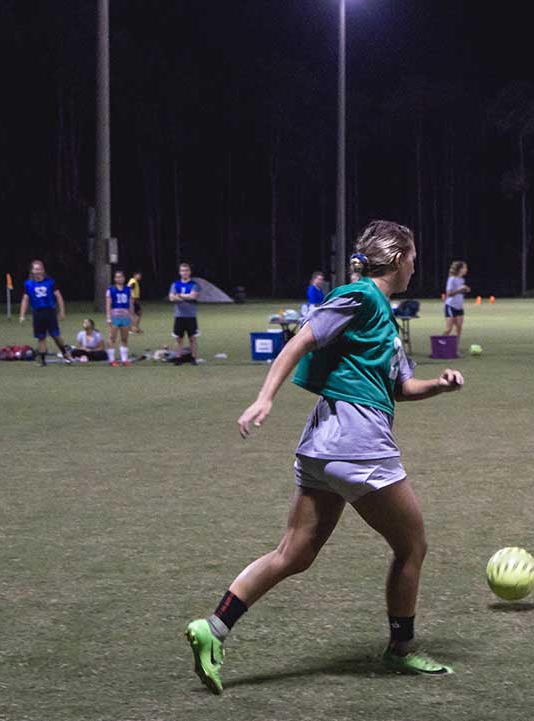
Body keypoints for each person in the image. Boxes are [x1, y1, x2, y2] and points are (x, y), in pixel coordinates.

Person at [183, 221, 464, 693]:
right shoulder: (360, 297)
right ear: (397, 260)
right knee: (412, 546)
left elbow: (398, 387)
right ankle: (401, 650)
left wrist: (437, 384)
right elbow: (300, 339)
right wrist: (264, 397)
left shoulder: (381, 316)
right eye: (413, 256)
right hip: (357, 444)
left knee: (293, 553)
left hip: (323, 446)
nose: (417, 264)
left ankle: (212, 630)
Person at [18, 259, 72, 366]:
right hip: (37, 312)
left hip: (49, 311)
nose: (38, 271)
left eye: (39, 269)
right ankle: (42, 359)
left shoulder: (50, 282)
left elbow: (58, 296)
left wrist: (62, 311)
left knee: (55, 335)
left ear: (43, 270)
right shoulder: (28, 284)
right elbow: (25, 299)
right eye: (35, 269)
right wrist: (22, 315)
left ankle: (65, 353)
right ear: (32, 271)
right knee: (41, 336)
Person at [169, 262, 201, 362]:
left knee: (192, 338)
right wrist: (185, 296)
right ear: (179, 272)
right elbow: (171, 298)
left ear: (190, 272)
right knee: (178, 338)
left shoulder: (194, 284)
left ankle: (193, 357)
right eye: (182, 270)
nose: (185, 272)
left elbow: (193, 296)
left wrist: (179, 296)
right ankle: (178, 357)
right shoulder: (175, 284)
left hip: (191, 315)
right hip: (179, 315)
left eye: (186, 270)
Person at [105, 269, 136, 366]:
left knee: (124, 338)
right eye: (117, 277)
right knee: (112, 338)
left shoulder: (128, 289)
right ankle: (111, 360)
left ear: (124, 278)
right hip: (115, 316)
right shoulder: (111, 290)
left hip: (125, 316)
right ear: (114, 279)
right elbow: (108, 304)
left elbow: (130, 304)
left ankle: (124, 359)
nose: (119, 279)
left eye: (120, 277)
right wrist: (108, 317)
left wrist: (132, 316)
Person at [443, 260, 469, 336]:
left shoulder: (461, 280)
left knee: (459, 328)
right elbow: (449, 293)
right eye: (465, 268)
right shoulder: (452, 279)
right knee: (448, 329)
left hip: (459, 307)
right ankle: (441, 344)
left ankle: (455, 347)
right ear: (460, 269)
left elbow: (459, 293)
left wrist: (465, 290)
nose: (466, 269)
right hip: (451, 306)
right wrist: (460, 290)